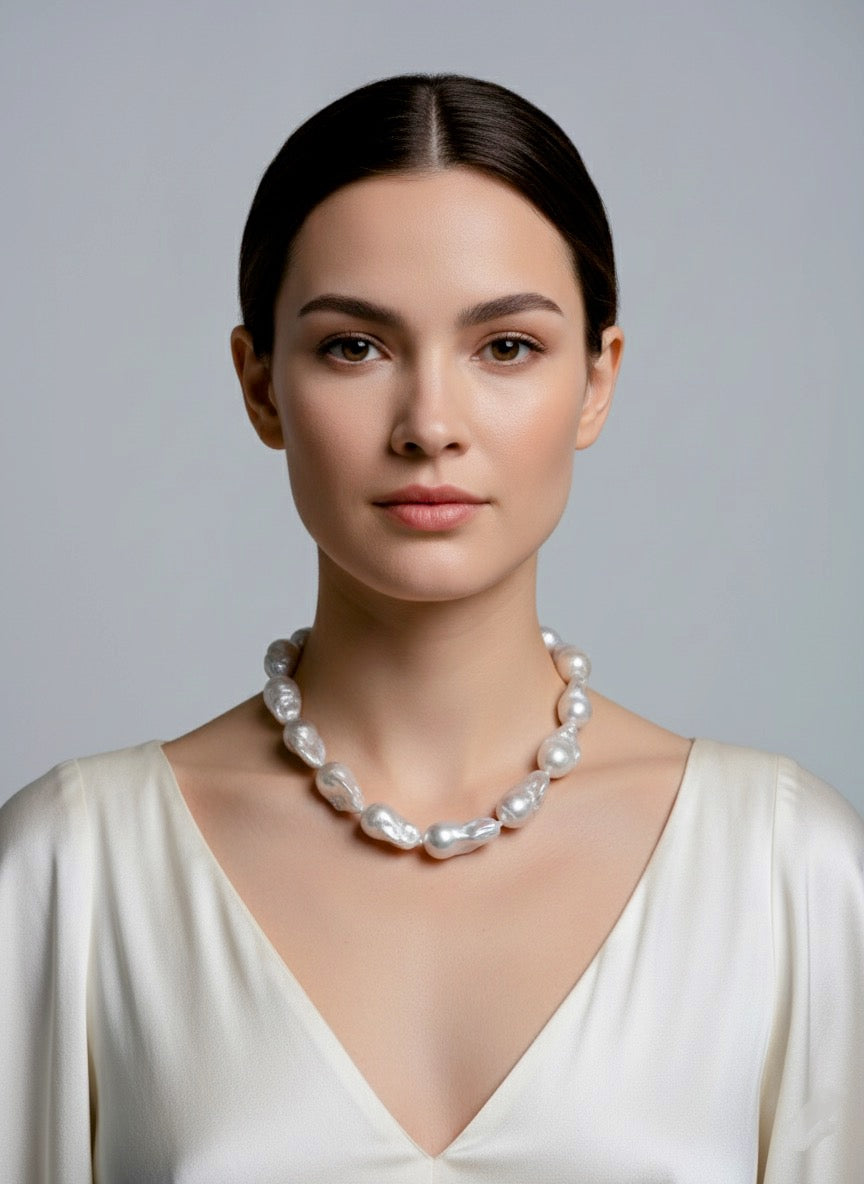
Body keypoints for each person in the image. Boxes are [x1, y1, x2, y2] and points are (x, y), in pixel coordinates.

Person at [1, 72, 862, 1183]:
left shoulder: (788, 876)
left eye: (505, 346)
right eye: (355, 346)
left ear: (598, 379)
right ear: (260, 385)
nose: (431, 426)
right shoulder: (72, 875)